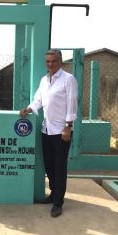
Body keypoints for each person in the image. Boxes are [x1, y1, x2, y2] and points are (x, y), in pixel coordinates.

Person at [20, 49, 78, 217]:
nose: (50, 64)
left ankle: (58, 202)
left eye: (53, 61)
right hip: (46, 129)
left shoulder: (68, 79)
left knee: (60, 167)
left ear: (60, 61)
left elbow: (72, 103)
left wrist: (68, 126)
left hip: (61, 131)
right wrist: (30, 108)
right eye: (48, 61)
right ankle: (53, 194)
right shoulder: (44, 80)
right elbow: (38, 99)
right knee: (49, 165)